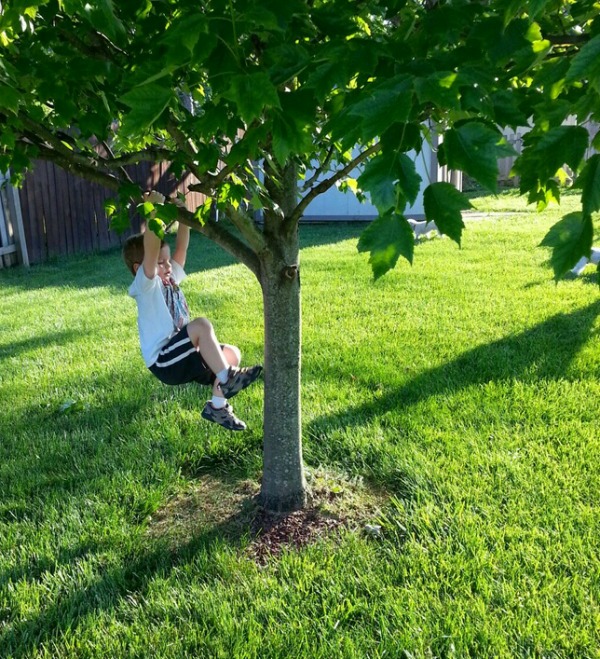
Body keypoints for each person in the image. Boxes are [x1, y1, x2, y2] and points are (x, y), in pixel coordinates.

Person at [122, 191, 262, 431]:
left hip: (182, 355)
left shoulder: (169, 278)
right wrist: (153, 212)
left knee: (232, 354)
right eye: (160, 262)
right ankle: (228, 381)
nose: (167, 266)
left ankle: (217, 406)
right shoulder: (146, 285)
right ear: (139, 268)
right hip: (164, 361)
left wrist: (183, 214)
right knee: (201, 326)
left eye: (167, 262)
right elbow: (151, 247)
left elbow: (182, 250)